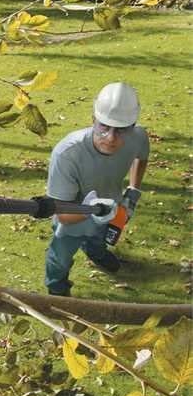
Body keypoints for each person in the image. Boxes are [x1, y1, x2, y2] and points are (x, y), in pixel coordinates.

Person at [45, 82, 149, 296]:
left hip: (112, 206)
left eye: (120, 130)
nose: (110, 138)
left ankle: (97, 253)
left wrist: (133, 191)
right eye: (104, 127)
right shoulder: (67, 154)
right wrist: (92, 211)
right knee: (61, 256)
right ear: (93, 120)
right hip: (73, 214)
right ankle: (57, 288)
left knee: (99, 237)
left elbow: (142, 157)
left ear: (132, 126)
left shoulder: (137, 137)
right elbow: (63, 214)